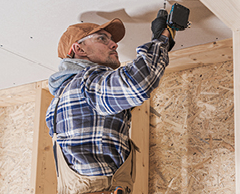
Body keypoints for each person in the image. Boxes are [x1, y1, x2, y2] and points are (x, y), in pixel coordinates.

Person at [45, 12, 176, 194]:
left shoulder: (63, 96)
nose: (114, 44)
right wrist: (161, 40)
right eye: (102, 39)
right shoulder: (86, 83)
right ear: (79, 50)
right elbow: (138, 84)